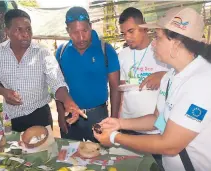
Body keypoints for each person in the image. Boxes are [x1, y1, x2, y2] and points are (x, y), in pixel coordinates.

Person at [94, 7, 211, 171]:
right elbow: (157, 119)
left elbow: (170, 145)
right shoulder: (170, 76)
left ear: (176, 44)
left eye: (158, 37)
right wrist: (119, 123)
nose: (153, 43)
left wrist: (115, 137)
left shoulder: (202, 82)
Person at [0, 9, 85, 132]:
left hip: (39, 116)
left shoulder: (43, 53)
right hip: (10, 116)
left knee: (43, 149)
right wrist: (4, 92)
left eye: (28, 29)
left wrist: (67, 101)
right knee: (13, 149)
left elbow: (57, 82)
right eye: (19, 30)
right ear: (7, 32)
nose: (25, 34)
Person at [55, 6, 120, 142]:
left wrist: (114, 121)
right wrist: (61, 114)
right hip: (70, 116)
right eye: (75, 33)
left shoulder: (106, 50)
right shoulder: (61, 52)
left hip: (98, 115)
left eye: (84, 31)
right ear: (68, 31)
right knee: (71, 157)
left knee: (100, 157)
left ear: (90, 27)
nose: (81, 38)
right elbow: (57, 86)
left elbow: (115, 88)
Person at [118, 7, 169, 135]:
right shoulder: (122, 55)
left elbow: (179, 78)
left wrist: (163, 76)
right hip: (127, 124)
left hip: (153, 127)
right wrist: (118, 117)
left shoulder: (161, 52)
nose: (127, 37)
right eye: (124, 33)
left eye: (131, 31)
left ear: (145, 27)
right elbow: (122, 90)